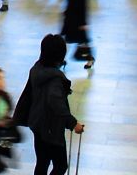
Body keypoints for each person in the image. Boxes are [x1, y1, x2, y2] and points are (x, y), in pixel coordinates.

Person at [13, 34, 83, 175]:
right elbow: (56, 104)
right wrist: (73, 123)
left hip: (37, 123)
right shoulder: (55, 80)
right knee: (61, 165)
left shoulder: (36, 69)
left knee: (42, 162)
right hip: (51, 128)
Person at [60, 0, 94, 68]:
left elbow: (83, 7)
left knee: (82, 41)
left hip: (77, 21)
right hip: (70, 20)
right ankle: (61, 59)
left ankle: (90, 59)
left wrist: (84, 23)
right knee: (65, 40)